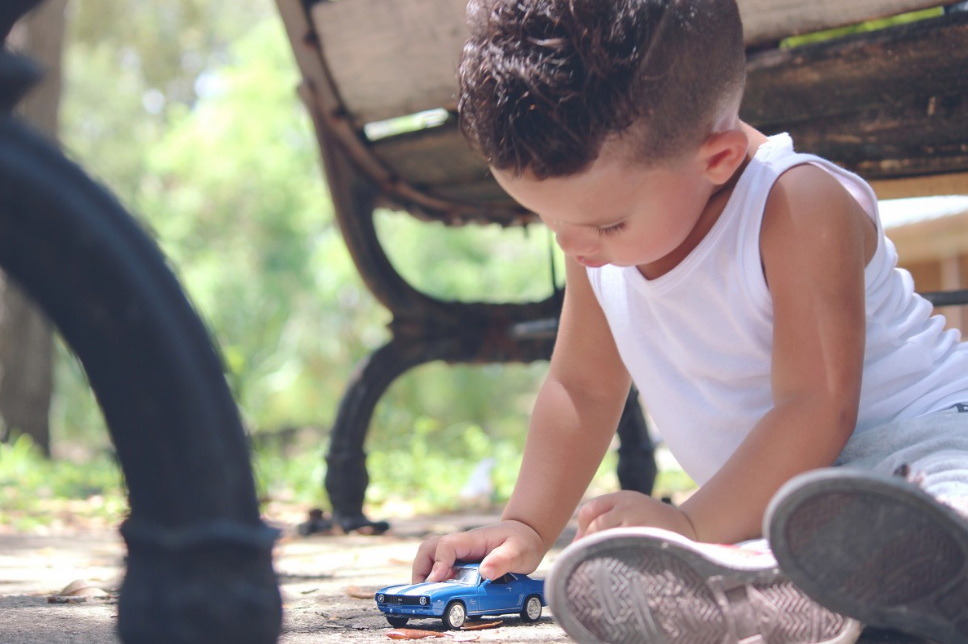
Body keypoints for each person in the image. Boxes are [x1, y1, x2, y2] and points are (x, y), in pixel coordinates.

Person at [412, 1, 968, 642]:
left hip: (921, 448)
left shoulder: (795, 204)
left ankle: (854, 575)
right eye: (547, 220)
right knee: (779, 541)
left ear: (720, 157)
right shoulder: (600, 244)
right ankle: (786, 593)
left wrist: (694, 527)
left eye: (605, 223)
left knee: (936, 504)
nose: (572, 247)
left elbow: (816, 406)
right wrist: (528, 526)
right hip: (781, 506)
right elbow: (582, 388)